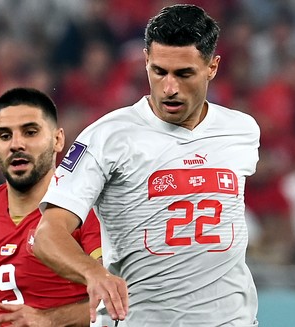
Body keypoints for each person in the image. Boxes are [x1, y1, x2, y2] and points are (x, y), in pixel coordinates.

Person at [33, 4, 260, 326]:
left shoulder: (243, 131)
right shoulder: (107, 137)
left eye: (184, 74)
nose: (169, 88)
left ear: (212, 67)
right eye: (159, 71)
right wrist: (93, 273)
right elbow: (46, 235)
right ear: (145, 62)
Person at [0, 87, 101, 326]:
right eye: (5, 136)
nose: (16, 144)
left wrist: (48, 320)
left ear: (57, 140)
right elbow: (1, 297)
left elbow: (120, 302)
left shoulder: (88, 211)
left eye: (30, 132)